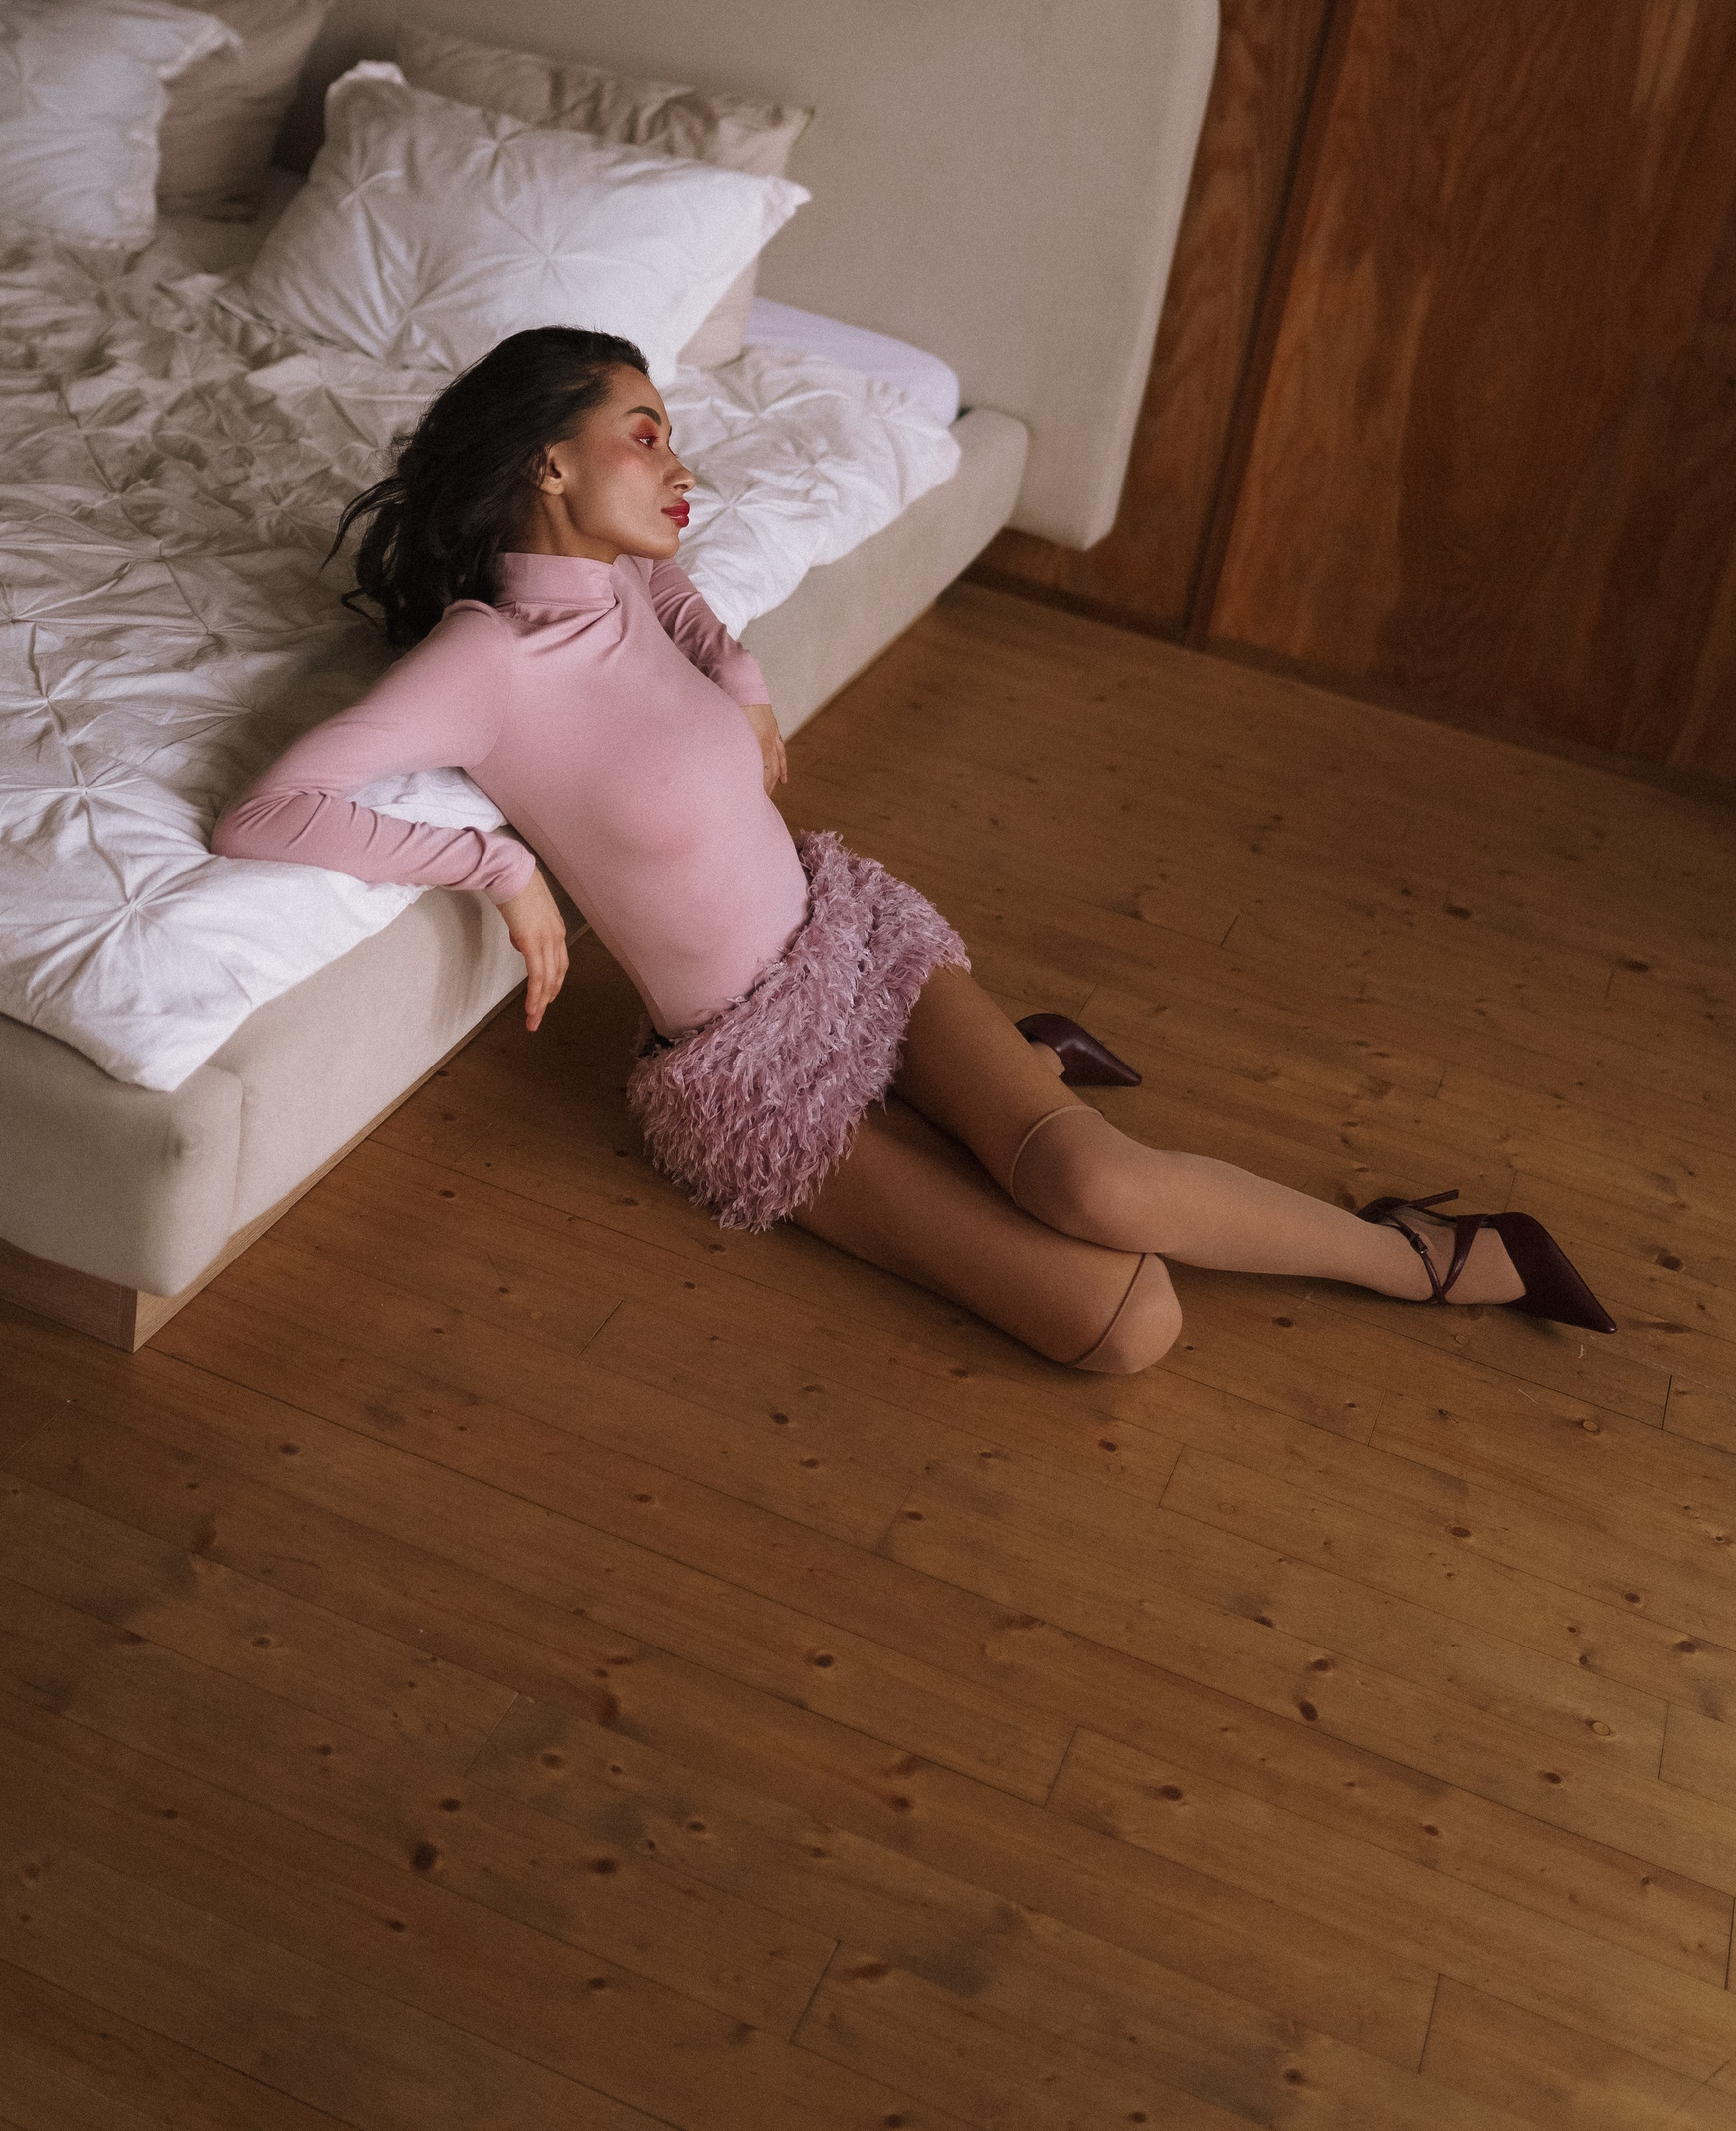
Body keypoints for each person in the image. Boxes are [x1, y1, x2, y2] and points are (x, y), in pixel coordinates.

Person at [212, 326, 1614, 1374]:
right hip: (749, 1077)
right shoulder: (484, 662)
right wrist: (501, 872)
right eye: (646, 433)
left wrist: (744, 683)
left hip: (850, 935)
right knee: (1126, 1324)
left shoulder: (629, 571)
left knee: (1098, 1185)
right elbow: (264, 812)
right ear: (550, 461)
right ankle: (999, 1084)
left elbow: (682, 606)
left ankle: (1413, 1254)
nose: (680, 465)